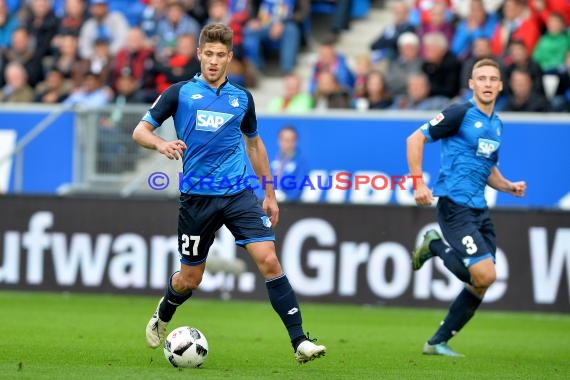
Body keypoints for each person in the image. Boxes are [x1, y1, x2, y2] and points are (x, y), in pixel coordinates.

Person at [132, 23, 326, 364]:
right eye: (208, 54)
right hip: (197, 198)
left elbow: (254, 145)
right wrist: (161, 143)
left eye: (220, 55)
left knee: (269, 259)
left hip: (238, 193)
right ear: (199, 54)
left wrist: (269, 193)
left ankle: (300, 342)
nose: (213, 61)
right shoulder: (180, 93)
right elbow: (140, 131)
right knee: (190, 279)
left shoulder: (241, 98)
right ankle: (164, 310)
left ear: (230, 58)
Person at [406, 58, 527, 357]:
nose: (487, 83)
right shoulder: (460, 112)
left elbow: (487, 169)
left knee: (481, 283)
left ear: (500, 86)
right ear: (471, 84)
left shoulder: (496, 124)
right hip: (454, 206)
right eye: (481, 78)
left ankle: (436, 342)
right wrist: (418, 183)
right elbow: (415, 139)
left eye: (492, 79)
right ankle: (434, 244)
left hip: (479, 210)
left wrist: (508, 185)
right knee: (486, 275)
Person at [270, 125, 307, 202]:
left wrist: (285, 198)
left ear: (295, 141)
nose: (287, 143)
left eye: (291, 140)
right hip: (269, 202)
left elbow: (299, 185)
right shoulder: (273, 159)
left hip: (289, 206)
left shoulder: (300, 162)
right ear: (279, 140)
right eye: (285, 140)